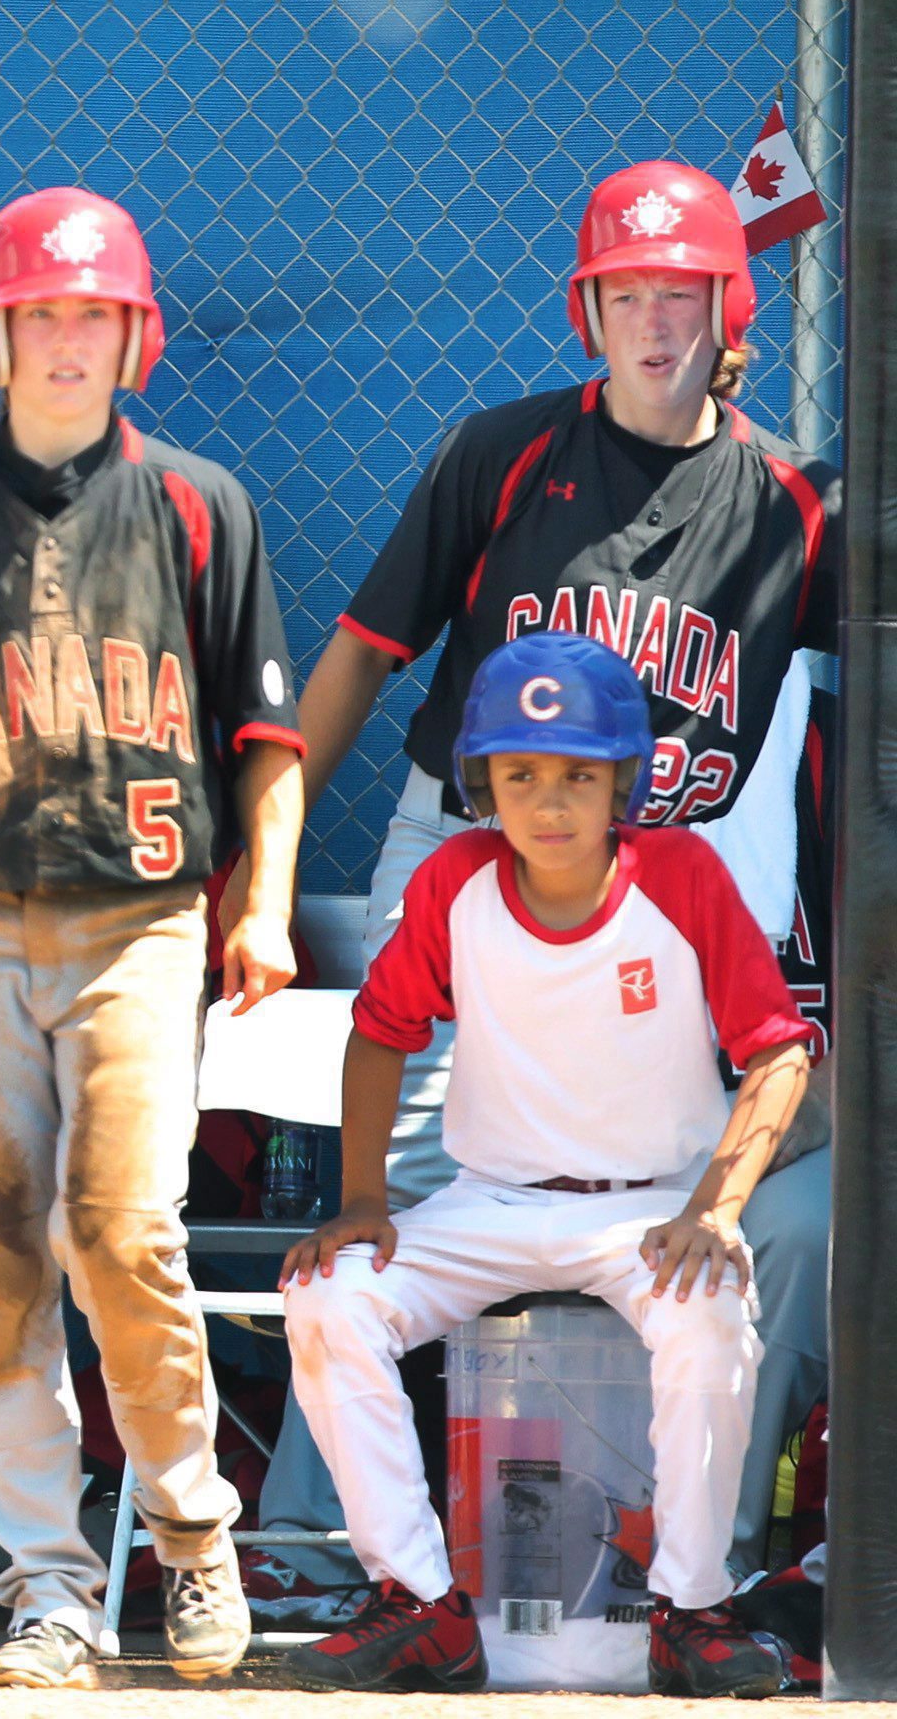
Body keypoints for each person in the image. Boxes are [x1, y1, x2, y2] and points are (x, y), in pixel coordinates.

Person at [254, 160, 841, 1595]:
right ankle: (318, 1544)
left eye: (681, 292)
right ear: (589, 308)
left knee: (656, 1193)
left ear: (730, 307)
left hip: (661, 884)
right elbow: (359, 657)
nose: (654, 321)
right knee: (392, 1181)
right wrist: (259, 874)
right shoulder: (504, 454)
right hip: (464, 847)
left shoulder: (791, 508)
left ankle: (633, 1553)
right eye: (626, 292)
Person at [0, 187, 307, 1689]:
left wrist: (264, 901)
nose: (70, 337)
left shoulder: (201, 502)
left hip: (145, 920)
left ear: (133, 333)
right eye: (45, 312)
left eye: (95, 312)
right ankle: (47, 1583)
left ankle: (193, 1537)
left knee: (123, 1232)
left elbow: (265, 739)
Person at [278, 632, 808, 1698]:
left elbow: (778, 1049)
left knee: (709, 1320)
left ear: (624, 781)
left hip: (651, 1203)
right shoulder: (452, 878)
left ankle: (690, 1609)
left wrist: (715, 1205)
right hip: (492, 1198)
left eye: (578, 772)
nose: (548, 799)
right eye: (519, 773)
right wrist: (364, 1198)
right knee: (327, 1297)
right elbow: (379, 1031)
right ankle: (420, 1604)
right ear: (481, 782)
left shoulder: (680, 873)